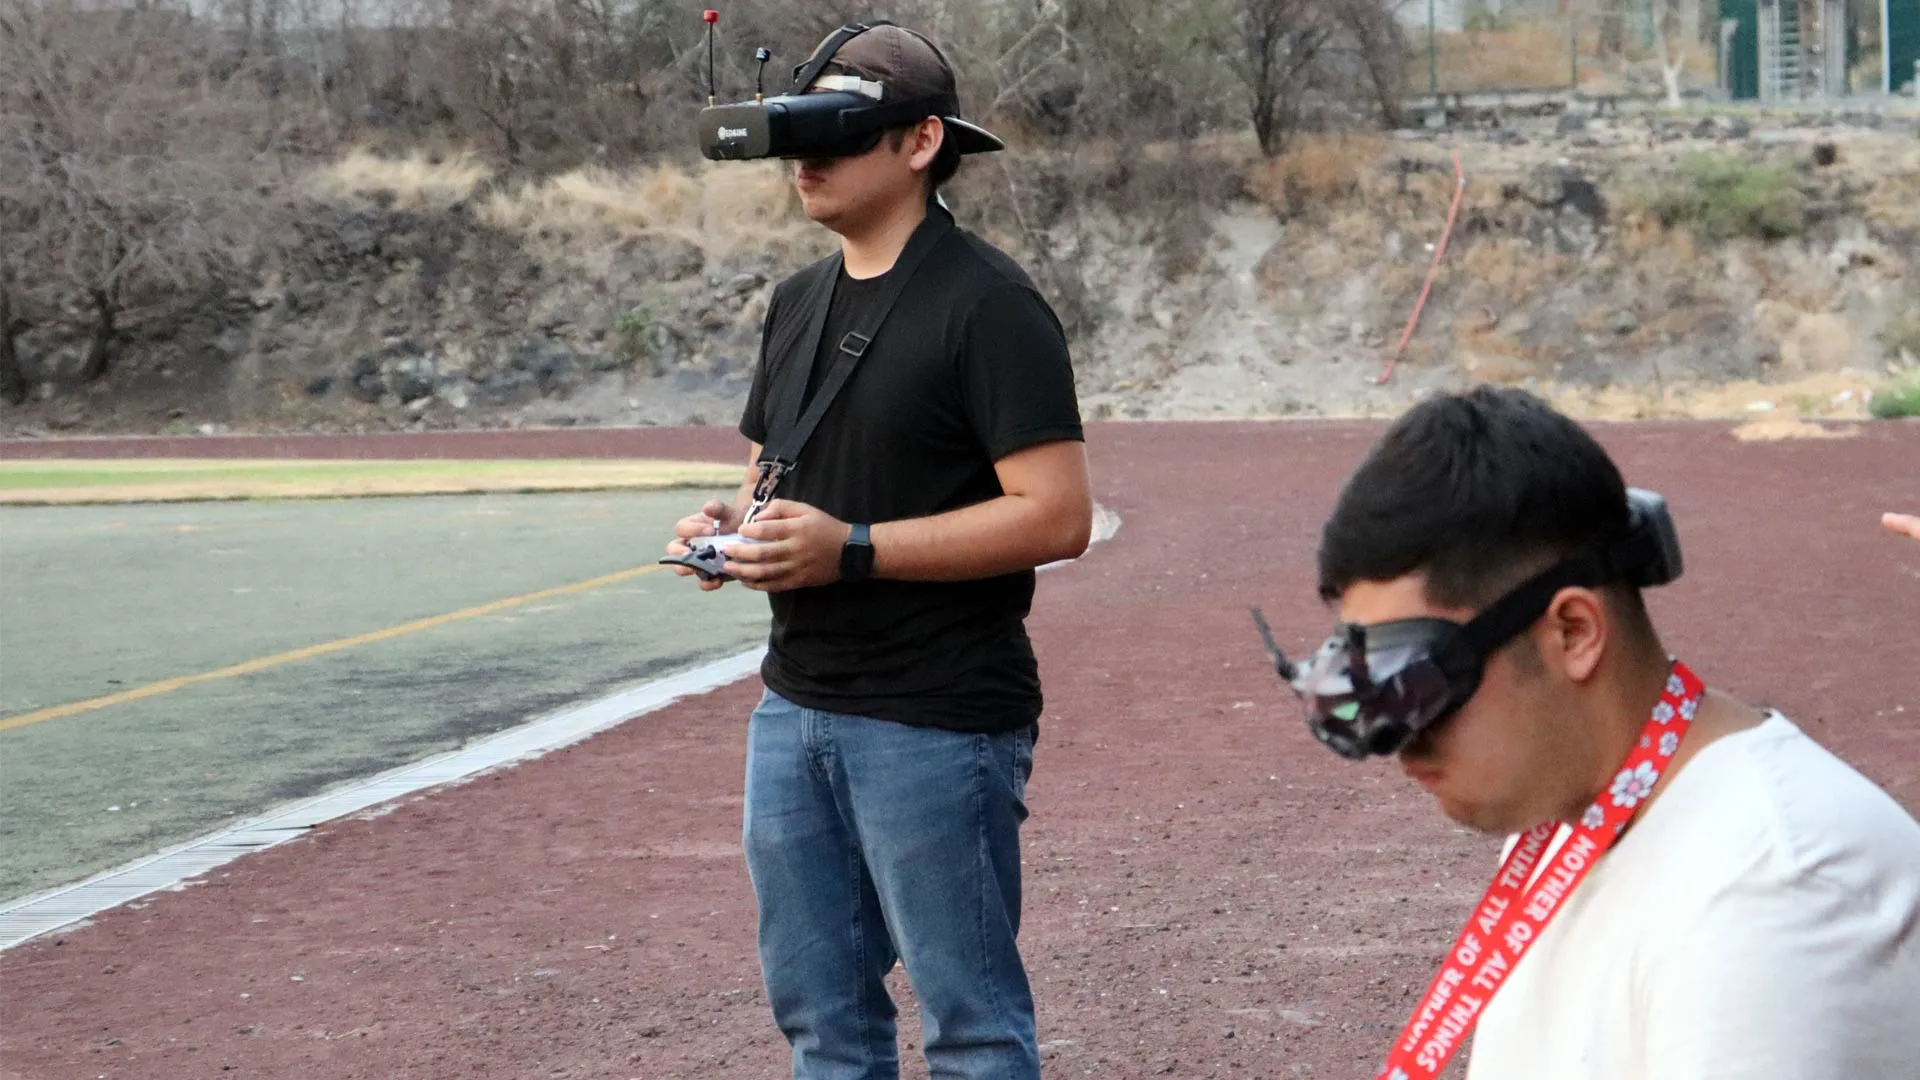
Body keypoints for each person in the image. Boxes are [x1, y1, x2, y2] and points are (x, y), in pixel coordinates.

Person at [664, 22, 1090, 1080]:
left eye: (836, 135)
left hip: (938, 721)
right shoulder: (796, 303)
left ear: (919, 141)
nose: (806, 162)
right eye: (793, 138)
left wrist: (850, 550)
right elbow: (777, 477)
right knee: (823, 1027)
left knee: (973, 1027)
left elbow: (1057, 515)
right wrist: (729, 533)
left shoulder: (991, 305)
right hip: (794, 707)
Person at [1278, 386, 1920, 1078]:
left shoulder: (1767, 900)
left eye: (1419, 684)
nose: (1396, 739)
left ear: (1573, 632)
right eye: (1364, 687)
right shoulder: (1570, 817)